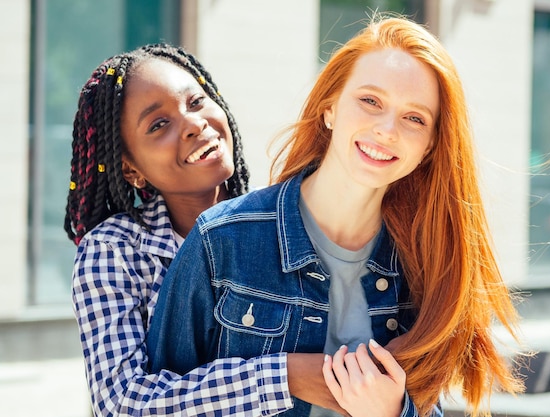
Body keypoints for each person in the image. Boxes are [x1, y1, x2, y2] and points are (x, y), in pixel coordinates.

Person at [147, 16, 525, 417]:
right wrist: (280, 377)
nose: (387, 130)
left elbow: (430, 401)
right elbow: (150, 403)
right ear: (330, 108)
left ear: (430, 147)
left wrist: (393, 412)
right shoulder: (221, 240)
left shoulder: (424, 265)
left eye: (414, 118)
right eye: (370, 101)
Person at [66, 43, 342, 417]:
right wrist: (284, 377)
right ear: (131, 169)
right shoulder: (115, 250)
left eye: (196, 102)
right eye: (159, 124)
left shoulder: (288, 219)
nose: (194, 124)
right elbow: (122, 404)